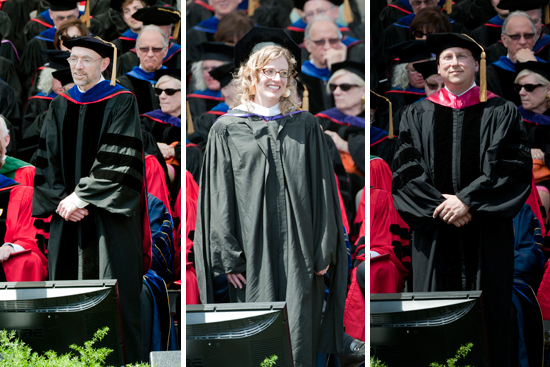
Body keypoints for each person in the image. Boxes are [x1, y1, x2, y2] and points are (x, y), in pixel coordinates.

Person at [193, 27, 348, 367]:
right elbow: (219, 198)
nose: (276, 79)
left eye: (283, 72)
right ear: (251, 73)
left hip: (300, 252)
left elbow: (324, 194)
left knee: (298, 334)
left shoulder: (305, 125)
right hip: (252, 253)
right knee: (256, 338)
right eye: (269, 71)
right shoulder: (226, 128)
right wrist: (228, 257)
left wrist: (324, 249)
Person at [392, 33, 532, 367]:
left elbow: (511, 167)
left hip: (485, 233)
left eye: (462, 57)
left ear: (475, 64)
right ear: (438, 68)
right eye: (448, 58)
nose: (455, 63)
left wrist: (467, 201)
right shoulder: (417, 113)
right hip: (435, 232)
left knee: (488, 319)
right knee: (437, 322)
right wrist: (442, 207)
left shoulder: (502, 111)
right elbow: (406, 170)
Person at [32, 36, 147, 364]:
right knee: (66, 300)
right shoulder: (59, 104)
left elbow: (119, 158)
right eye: (73, 59)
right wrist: (61, 202)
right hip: (66, 219)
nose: (77, 66)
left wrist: (82, 196)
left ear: (104, 64)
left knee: (112, 298)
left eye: (85, 60)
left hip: (107, 222)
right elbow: (47, 162)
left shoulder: (122, 101)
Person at [514, 61, 550, 219]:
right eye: (518, 87)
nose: (521, 92)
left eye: (529, 87)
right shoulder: (512, 117)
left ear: (548, 89)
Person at [486, 11, 542, 106]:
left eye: (528, 36)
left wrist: (533, 66)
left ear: (535, 37)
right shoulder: (490, 75)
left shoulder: (545, 69)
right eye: (515, 37)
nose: (522, 41)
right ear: (504, 40)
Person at [118, 25, 168, 114]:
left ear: (165, 51)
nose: (150, 54)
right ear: (137, 50)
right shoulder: (124, 85)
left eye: (156, 49)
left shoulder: (176, 81)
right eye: (144, 49)